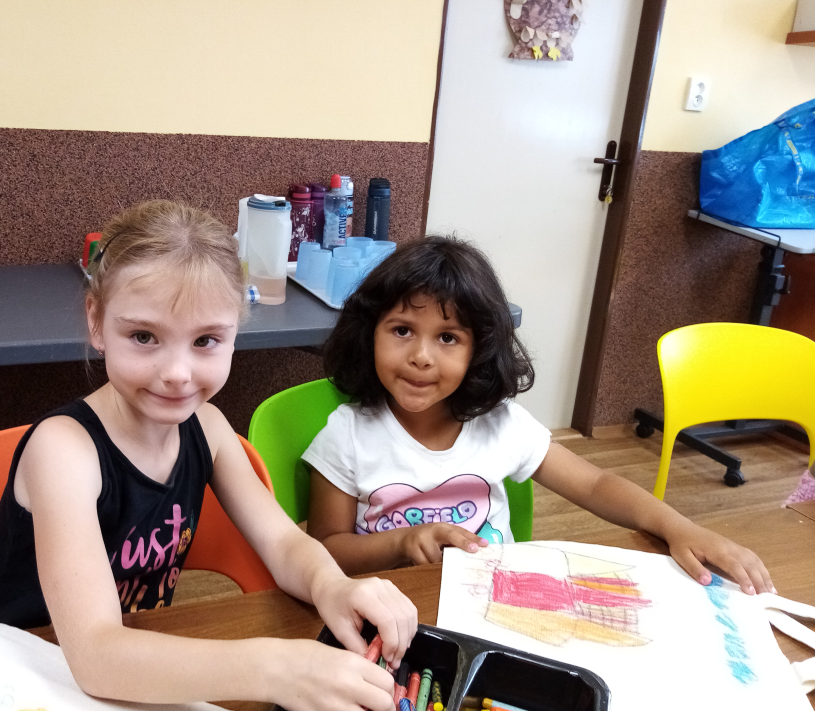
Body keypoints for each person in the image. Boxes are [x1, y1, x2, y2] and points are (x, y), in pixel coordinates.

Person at [0, 201, 417, 711]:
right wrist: (277, 668)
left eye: (206, 341)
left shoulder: (207, 427)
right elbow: (93, 653)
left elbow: (282, 543)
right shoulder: (63, 451)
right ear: (96, 321)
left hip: (131, 683)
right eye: (144, 337)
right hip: (19, 686)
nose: (177, 374)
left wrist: (333, 584)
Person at [303, 235, 776, 595]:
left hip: (496, 602)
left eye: (448, 337)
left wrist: (681, 528)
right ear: (370, 333)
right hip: (392, 608)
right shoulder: (348, 435)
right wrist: (403, 543)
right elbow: (328, 549)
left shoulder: (500, 424)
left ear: (477, 350)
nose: (421, 357)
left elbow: (595, 485)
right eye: (402, 330)